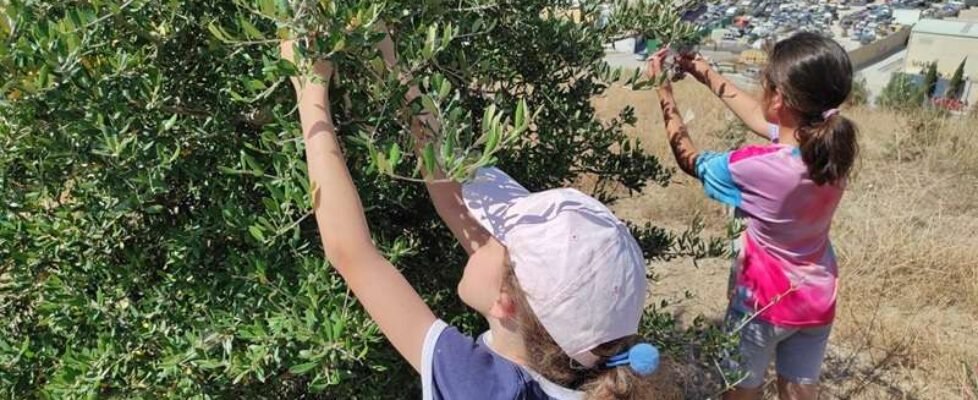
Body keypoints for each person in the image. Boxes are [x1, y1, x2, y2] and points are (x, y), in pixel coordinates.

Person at [280, 30, 669, 399]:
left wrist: (308, 89)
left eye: (494, 234)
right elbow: (454, 201)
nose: (479, 231)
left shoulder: (479, 388)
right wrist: (391, 62)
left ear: (507, 301)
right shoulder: (577, 368)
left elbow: (352, 253)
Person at [645, 32, 859, 400]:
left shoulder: (757, 167)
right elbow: (764, 122)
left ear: (777, 97)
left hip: (762, 304)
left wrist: (664, 93)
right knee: (800, 393)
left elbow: (688, 158)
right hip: (816, 300)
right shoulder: (832, 151)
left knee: (742, 391)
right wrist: (705, 73)